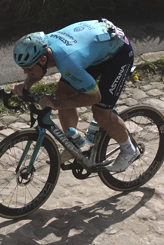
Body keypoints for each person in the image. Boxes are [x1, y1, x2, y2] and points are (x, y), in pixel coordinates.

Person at [11, 19, 139, 173]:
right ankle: (73, 143)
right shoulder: (43, 46)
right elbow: (37, 71)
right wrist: (26, 86)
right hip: (95, 49)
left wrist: (56, 105)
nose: (25, 72)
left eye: (27, 68)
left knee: (101, 113)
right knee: (63, 92)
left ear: (43, 59)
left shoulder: (68, 62)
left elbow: (94, 97)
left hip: (118, 53)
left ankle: (130, 151)